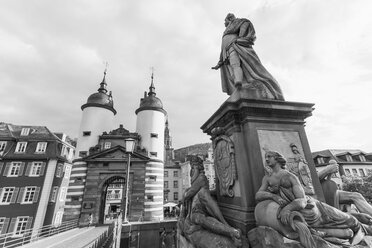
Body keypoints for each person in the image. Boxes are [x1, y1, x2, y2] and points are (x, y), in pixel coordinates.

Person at [255, 151, 365, 247]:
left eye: (269, 156)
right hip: (298, 214)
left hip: (313, 209)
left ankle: (364, 225)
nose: (266, 159)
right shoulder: (267, 178)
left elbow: (302, 200)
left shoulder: (290, 176)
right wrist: (273, 196)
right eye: (266, 157)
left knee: (351, 221)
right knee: (348, 231)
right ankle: (345, 233)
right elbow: (258, 195)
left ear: (277, 159)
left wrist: (287, 209)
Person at [212, 13, 284, 100]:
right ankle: (239, 84)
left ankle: (239, 82)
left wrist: (239, 40)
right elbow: (222, 48)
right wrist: (219, 63)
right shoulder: (228, 29)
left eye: (225, 21)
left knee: (236, 65)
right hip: (226, 53)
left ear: (230, 19)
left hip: (235, 47)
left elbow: (245, 27)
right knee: (231, 73)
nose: (224, 23)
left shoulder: (239, 22)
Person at [178, 155, 241, 247]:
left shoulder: (201, 178)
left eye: (193, 167)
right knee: (200, 219)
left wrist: (183, 197)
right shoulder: (196, 180)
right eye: (191, 167)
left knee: (202, 218)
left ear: (198, 168)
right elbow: (190, 192)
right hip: (194, 213)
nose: (192, 170)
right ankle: (230, 230)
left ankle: (230, 230)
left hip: (199, 210)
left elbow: (190, 193)